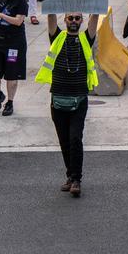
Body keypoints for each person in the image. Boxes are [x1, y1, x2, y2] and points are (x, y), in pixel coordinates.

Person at [39, 10, 99, 198]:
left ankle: (77, 179)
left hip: (79, 99)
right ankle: (70, 176)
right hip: (57, 99)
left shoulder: (85, 39)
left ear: (81, 21)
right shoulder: (56, 37)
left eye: (77, 18)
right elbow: (49, 17)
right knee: (64, 141)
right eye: (70, 18)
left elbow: (95, 17)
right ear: (64, 20)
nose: (73, 21)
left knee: (75, 139)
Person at [0, 0, 29, 116]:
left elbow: (18, 21)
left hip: (13, 43)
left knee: (12, 75)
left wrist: (1, 15)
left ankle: (10, 102)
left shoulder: (21, 2)